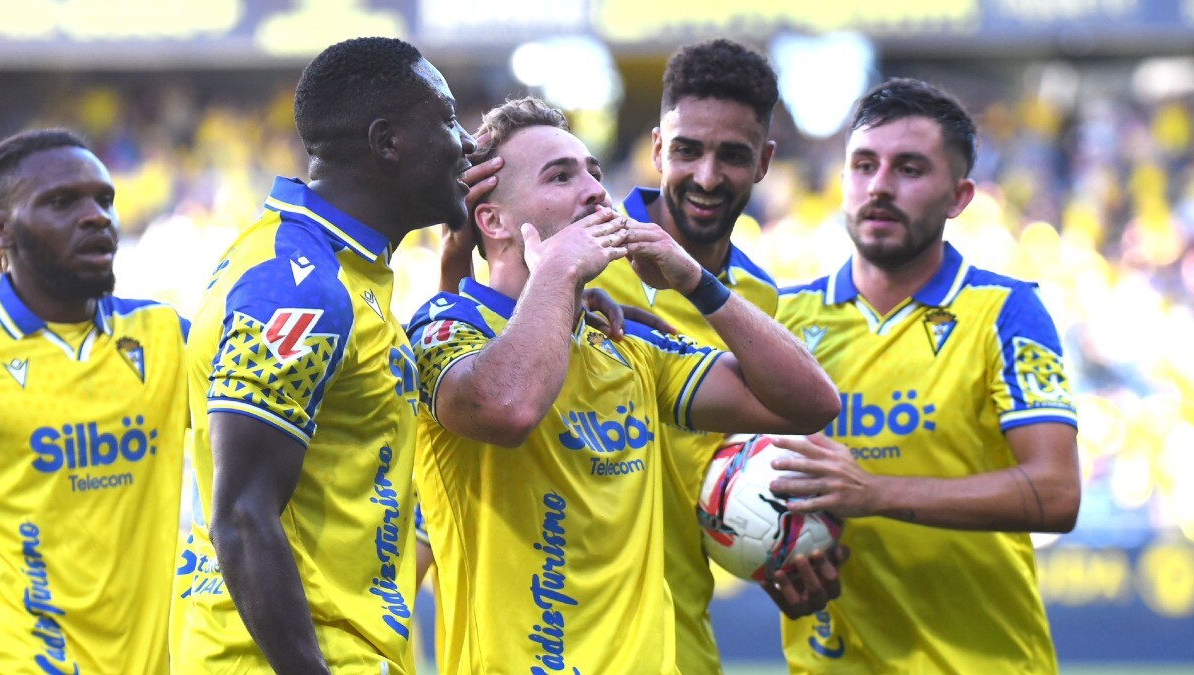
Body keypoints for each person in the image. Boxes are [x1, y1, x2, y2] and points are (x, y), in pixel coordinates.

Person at [408, 96, 840, 674]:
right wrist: (559, 272)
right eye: (560, 176)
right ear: (493, 221)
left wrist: (695, 281)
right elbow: (506, 408)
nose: (593, 190)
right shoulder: (441, 332)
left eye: (593, 172)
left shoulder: (626, 343)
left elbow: (810, 404)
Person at [176, 37, 475, 674]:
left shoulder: (337, 273)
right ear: (388, 142)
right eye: (448, 119)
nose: (466, 142)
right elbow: (243, 516)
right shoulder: (302, 289)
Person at [773, 78, 1081, 674]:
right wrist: (773, 567)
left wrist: (875, 493)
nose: (880, 186)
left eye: (909, 169)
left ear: (959, 196)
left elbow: (1057, 493)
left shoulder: (1006, 311)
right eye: (863, 166)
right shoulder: (782, 320)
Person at [587, 38, 850, 674]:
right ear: (656, 148)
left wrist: (776, 546)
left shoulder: (755, 301)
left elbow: (720, 475)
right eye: (687, 151)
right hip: (562, 637)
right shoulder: (577, 256)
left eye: (731, 155)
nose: (707, 176)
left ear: (763, 162)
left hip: (680, 645)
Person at [0, 128, 188, 674]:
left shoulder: (164, 335)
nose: (97, 216)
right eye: (62, 202)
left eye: (105, 200)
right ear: (1, 232)